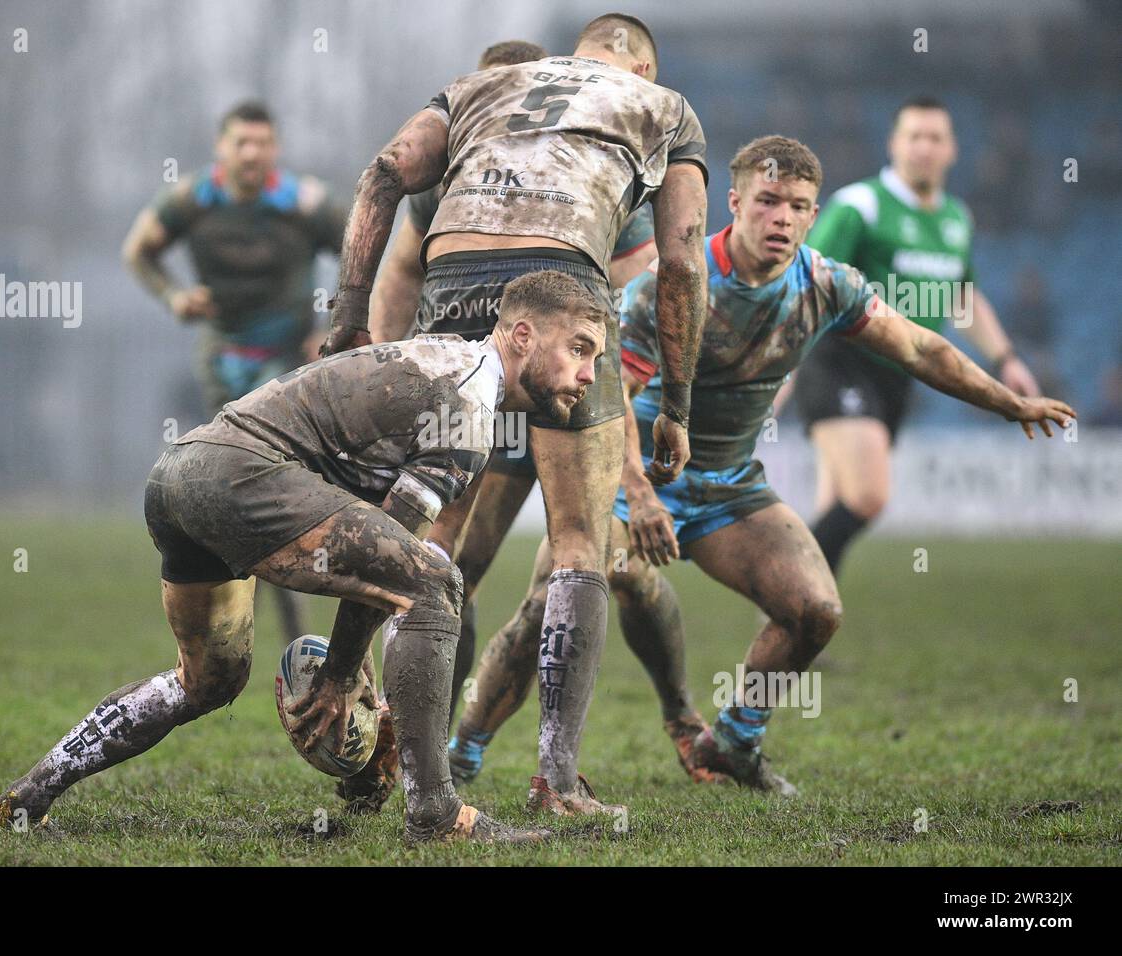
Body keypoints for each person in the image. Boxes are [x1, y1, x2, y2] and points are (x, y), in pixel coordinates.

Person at [448, 136, 1076, 794]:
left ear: (813, 215)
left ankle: (736, 742)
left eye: (798, 206)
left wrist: (1007, 400)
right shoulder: (675, 286)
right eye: (768, 201)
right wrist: (640, 493)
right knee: (554, 600)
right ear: (736, 202)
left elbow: (922, 349)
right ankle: (463, 753)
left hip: (727, 488)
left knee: (815, 610)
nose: (781, 217)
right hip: (626, 480)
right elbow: (613, 400)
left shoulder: (826, 285)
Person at [0, 269, 608, 844]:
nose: (588, 374)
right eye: (578, 348)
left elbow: (374, 549)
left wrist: (349, 670)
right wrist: (340, 672)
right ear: (522, 335)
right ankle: (437, 815)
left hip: (180, 474)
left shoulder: (444, 363)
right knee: (434, 581)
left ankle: (29, 795)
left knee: (206, 681)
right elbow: (400, 549)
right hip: (237, 477)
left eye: (596, 357)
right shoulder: (469, 406)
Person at [316, 12, 710, 818]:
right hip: (559, 278)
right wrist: (675, 402)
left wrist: (349, 321)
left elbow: (384, 173)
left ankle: (401, 761)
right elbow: (682, 257)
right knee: (576, 542)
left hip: (452, 283)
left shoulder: (481, 84)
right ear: (639, 67)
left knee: (433, 537)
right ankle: (556, 783)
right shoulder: (660, 105)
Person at [122, 99, 346, 644]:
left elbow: (365, 254)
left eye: (263, 143)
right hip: (222, 357)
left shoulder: (304, 202)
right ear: (222, 147)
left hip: (289, 359)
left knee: (283, 485)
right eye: (242, 142)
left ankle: (296, 621)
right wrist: (173, 297)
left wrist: (337, 325)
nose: (253, 153)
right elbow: (137, 252)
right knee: (226, 486)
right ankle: (226, 616)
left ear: (276, 149)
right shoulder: (193, 198)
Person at [792, 96, 1040, 579]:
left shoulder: (956, 220)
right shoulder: (858, 206)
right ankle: (782, 592)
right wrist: (779, 368)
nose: (924, 147)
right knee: (867, 496)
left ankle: (797, 629)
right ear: (893, 144)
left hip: (901, 374)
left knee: (834, 505)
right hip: (840, 362)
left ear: (952, 150)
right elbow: (806, 284)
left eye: (935, 138)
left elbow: (962, 298)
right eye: (914, 136)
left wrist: (1006, 358)